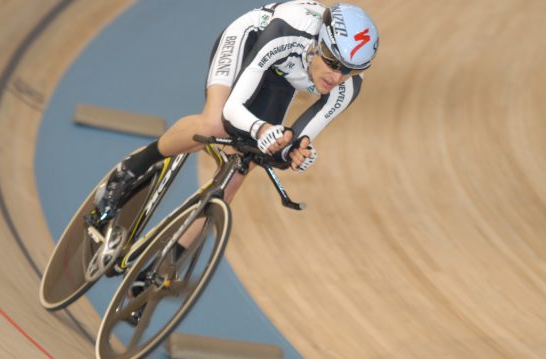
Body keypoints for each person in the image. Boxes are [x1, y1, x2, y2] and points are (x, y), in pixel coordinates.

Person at [87, 1, 379, 253]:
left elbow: (291, 143)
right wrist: (262, 130)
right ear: (318, 44)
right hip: (251, 42)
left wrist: (291, 153)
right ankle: (131, 171)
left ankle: (163, 268)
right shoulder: (287, 33)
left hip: (283, 77)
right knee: (214, 125)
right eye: (332, 63)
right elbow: (231, 112)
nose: (338, 77)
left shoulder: (347, 88)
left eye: (351, 70)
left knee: (245, 165)